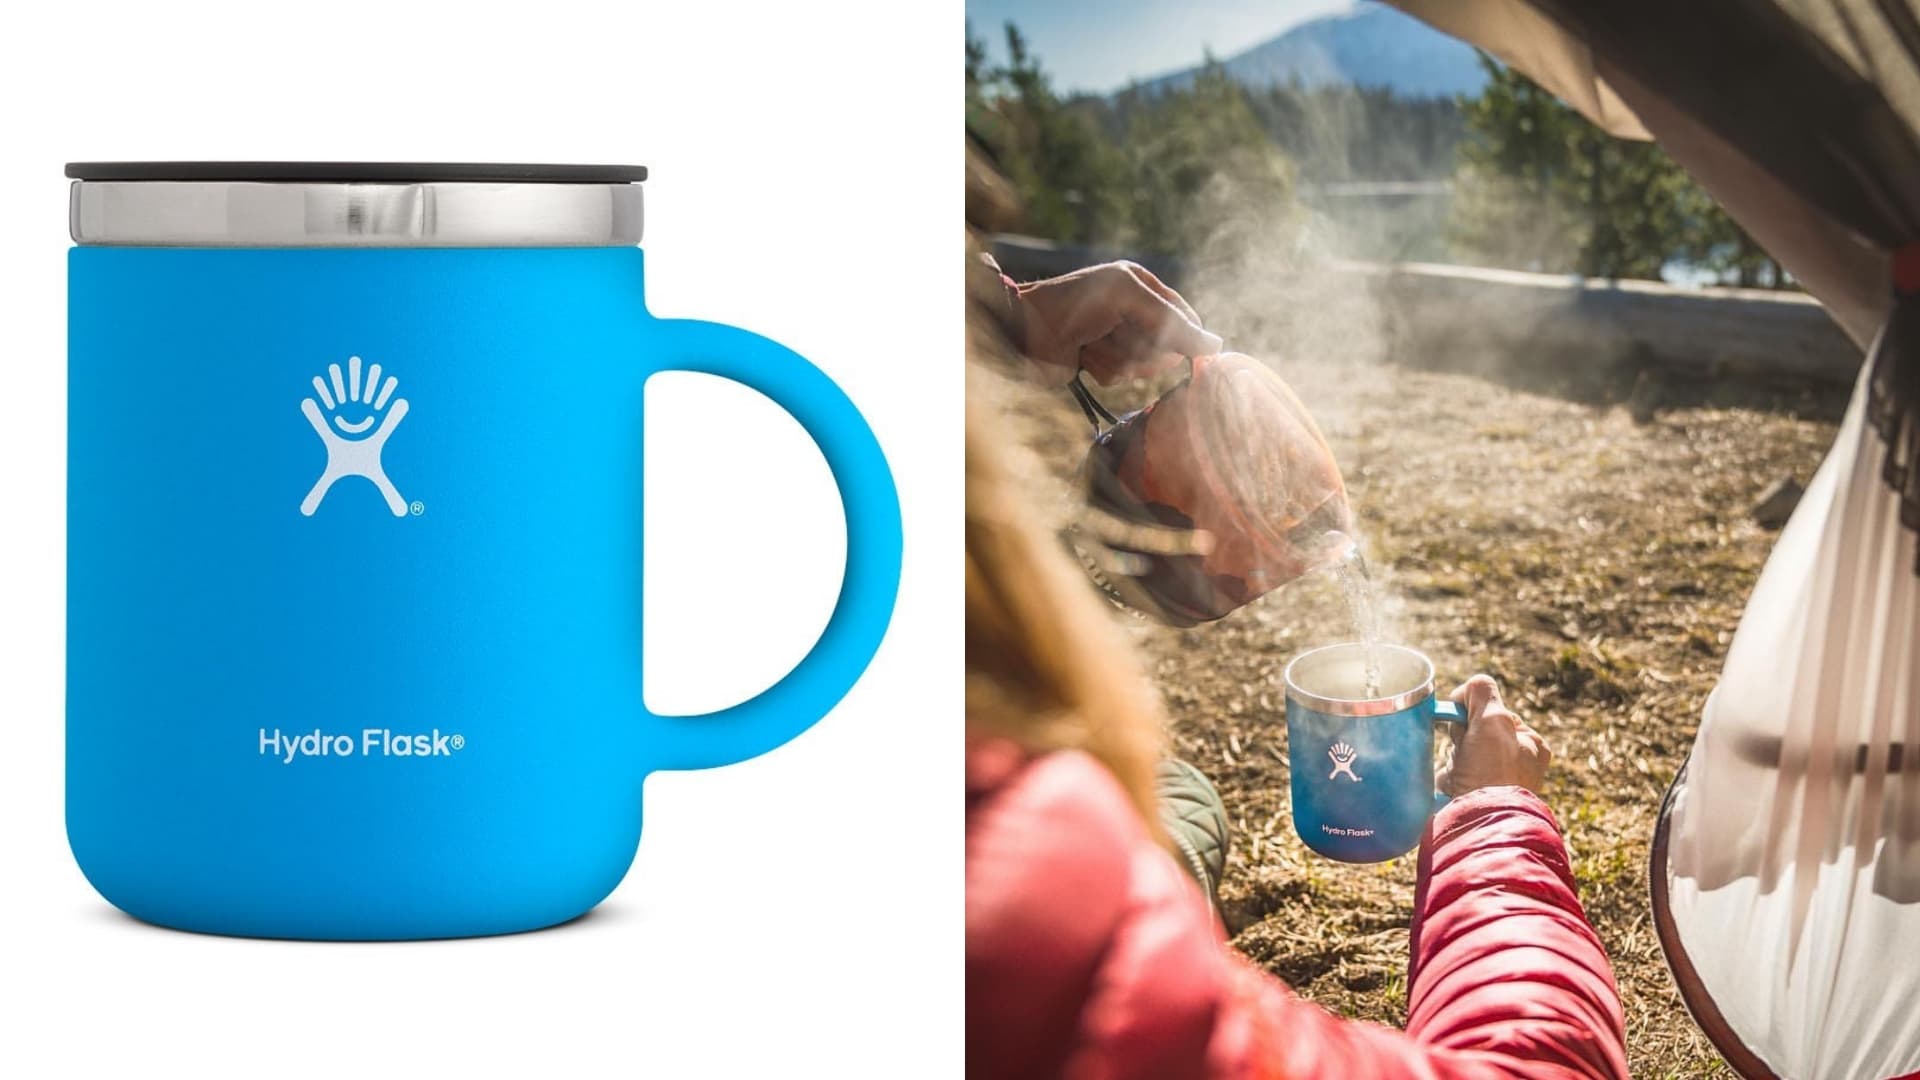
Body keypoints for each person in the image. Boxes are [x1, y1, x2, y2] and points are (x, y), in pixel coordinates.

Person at [965, 233, 1630, 1078]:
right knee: (1172, 803)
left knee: (1184, 792)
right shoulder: (1031, 913)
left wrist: (1001, 322)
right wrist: (1495, 820)